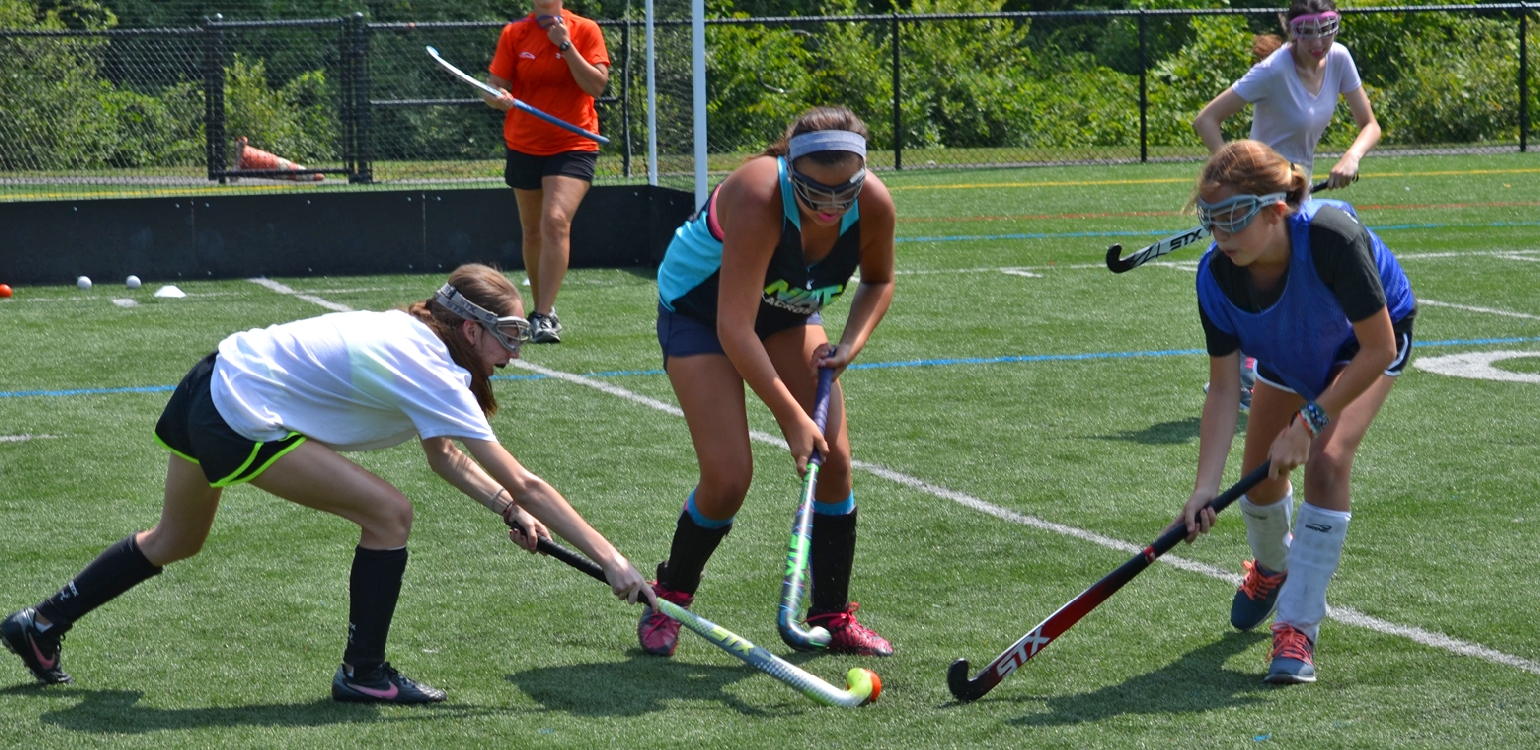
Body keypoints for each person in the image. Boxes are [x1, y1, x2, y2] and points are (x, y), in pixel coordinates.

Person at [1, 264, 654, 702]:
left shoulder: (417, 333)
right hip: (239, 412)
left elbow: (446, 455)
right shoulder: (433, 365)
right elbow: (527, 479)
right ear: (472, 329)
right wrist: (612, 559)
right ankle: (363, 673)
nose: (515, 353)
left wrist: (503, 507)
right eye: (509, 338)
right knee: (389, 515)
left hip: (213, 376)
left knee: (175, 538)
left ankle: (42, 622)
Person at [640, 106, 897, 658]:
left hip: (786, 310)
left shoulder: (873, 202)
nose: (831, 208)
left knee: (836, 462)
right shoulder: (759, 196)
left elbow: (879, 280)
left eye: (844, 193)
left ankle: (831, 613)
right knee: (729, 475)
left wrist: (848, 345)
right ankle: (670, 595)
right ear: (791, 168)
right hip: (701, 314)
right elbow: (734, 326)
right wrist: (793, 418)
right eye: (814, 194)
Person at [1176, 141, 1416, 684]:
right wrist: (1202, 487)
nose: (1222, 235)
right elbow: (1221, 389)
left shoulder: (1332, 238)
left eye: (1235, 217)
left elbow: (1377, 348)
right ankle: (1272, 567)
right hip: (1290, 350)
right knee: (1258, 482)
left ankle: (1298, 628)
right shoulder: (1215, 277)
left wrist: (1310, 422)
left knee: (1325, 463)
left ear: (1277, 207)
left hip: (1363, 346)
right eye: (1211, 220)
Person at [1192, 0, 1382, 410]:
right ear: (1291, 29)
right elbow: (1205, 120)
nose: (1319, 40)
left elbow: (1370, 124)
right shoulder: (1274, 71)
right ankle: (1238, 376)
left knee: (1302, 273)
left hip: (1297, 195)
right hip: (1259, 198)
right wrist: (1238, 180)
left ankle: (1284, 371)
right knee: (1243, 268)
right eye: (1307, 30)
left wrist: (1352, 156)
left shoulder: (1340, 59)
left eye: (1327, 27)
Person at [482, 0, 611, 343]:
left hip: (574, 144)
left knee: (554, 221)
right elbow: (492, 89)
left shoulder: (585, 30)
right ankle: (545, 309)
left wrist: (565, 45)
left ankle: (541, 316)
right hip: (523, 144)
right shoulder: (515, 33)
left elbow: (596, 86)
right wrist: (499, 98)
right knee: (532, 231)